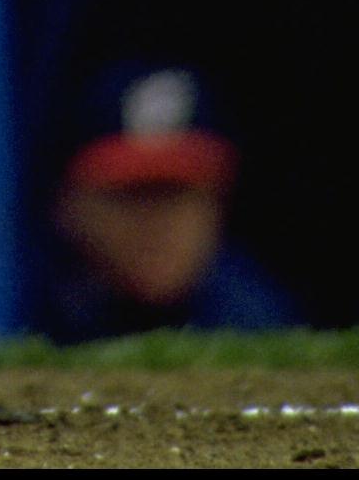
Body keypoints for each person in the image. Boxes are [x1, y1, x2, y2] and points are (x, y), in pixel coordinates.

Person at [34, 64, 297, 345]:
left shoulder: (260, 324)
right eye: (131, 195)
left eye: (178, 195)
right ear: (69, 206)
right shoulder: (16, 309)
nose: (157, 223)